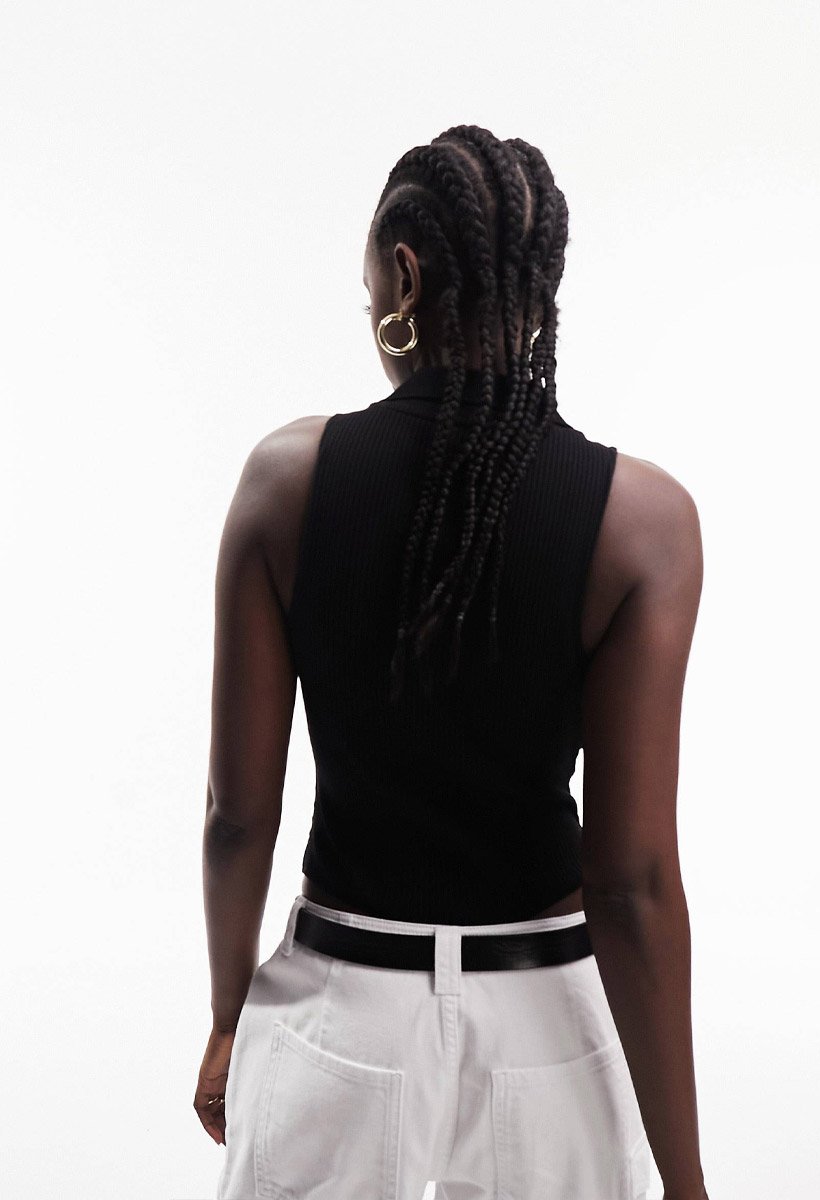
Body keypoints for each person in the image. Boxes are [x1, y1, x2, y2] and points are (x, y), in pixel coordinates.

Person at [195, 124, 709, 1200]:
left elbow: (238, 816)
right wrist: (687, 1179)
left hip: (339, 1011)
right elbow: (631, 880)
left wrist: (227, 1016)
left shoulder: (284, 484)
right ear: (540, 292)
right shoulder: (642, 525)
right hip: (548, 1028)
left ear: (403, 276)